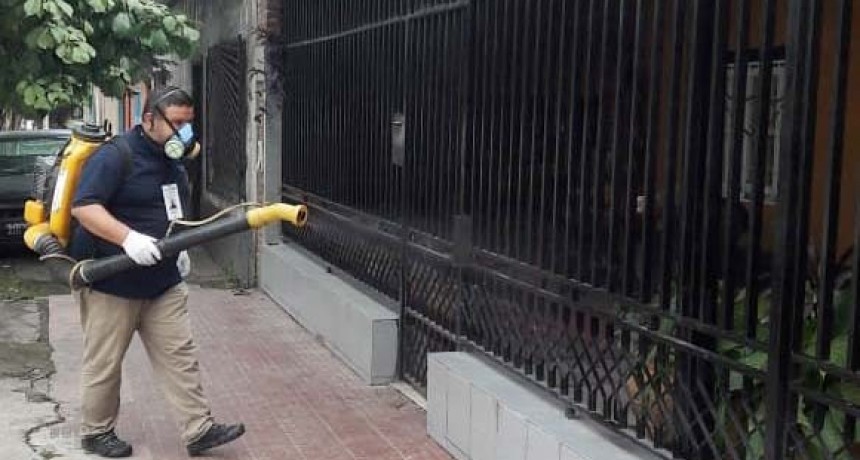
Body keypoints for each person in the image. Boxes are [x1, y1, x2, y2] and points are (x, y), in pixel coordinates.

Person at [69, 86, 245, 458]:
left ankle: (198, 430)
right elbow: (85, 208)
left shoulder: (173, 161)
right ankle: (96, 432)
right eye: (177, 123)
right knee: (105, 363)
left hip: (163, 283)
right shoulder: (115, 156)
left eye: (188, 124)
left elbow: (173, 211)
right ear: (149, 119)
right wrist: (128, 238)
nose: (185, 133)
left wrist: (180, 249)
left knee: (180, 357)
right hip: (112, 283)